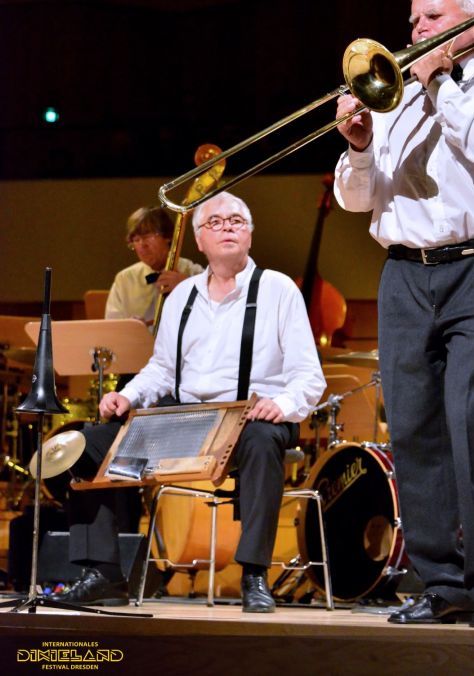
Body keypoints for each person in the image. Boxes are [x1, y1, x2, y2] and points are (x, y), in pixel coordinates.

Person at [334, 0, 474, 628]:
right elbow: (359, 199)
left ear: (472, 26)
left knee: (472, 422)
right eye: (415, 19)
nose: (417, 30)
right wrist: (361, 147)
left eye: (431, 18)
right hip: (403, 274)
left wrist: (437, 82)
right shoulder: (389, 96)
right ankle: (441, 582)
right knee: (415, 429)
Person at [51, 191, 325, 612]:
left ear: (250, 234)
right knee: (81, 446)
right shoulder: (182, 296)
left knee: (264, 439)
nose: (227, 227)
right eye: (215, 222)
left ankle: (254, 575)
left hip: (250, 416)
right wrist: (126, 395)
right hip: (184, 420)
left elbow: (309, 376)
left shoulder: (278, 290)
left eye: (236, 220)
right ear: (200, 240)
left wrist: (282, 404)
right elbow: (161, 369)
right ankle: (104, 574)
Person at [105, 206, 203, 327]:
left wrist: (187, 288)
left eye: (147, 236)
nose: (142, 245)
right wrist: (129, 327)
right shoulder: (125, 279)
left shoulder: (193, 272)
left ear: (167, 236)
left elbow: (214, 318)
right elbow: (112, 327)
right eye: (136, 240)